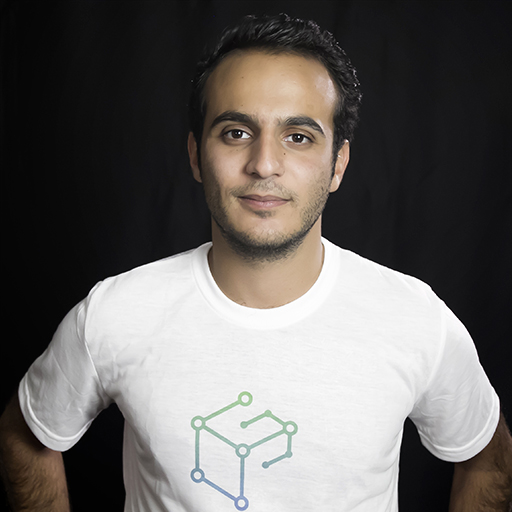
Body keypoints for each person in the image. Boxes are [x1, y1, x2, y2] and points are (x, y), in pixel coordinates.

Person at [0, 13, 511, 512]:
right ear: (196, 156)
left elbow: (488, 461)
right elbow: (26, 438)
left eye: (298, 137)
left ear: (338, 164)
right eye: (236, 132)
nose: (264, 163)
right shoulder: (116, 312)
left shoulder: (414, 318)